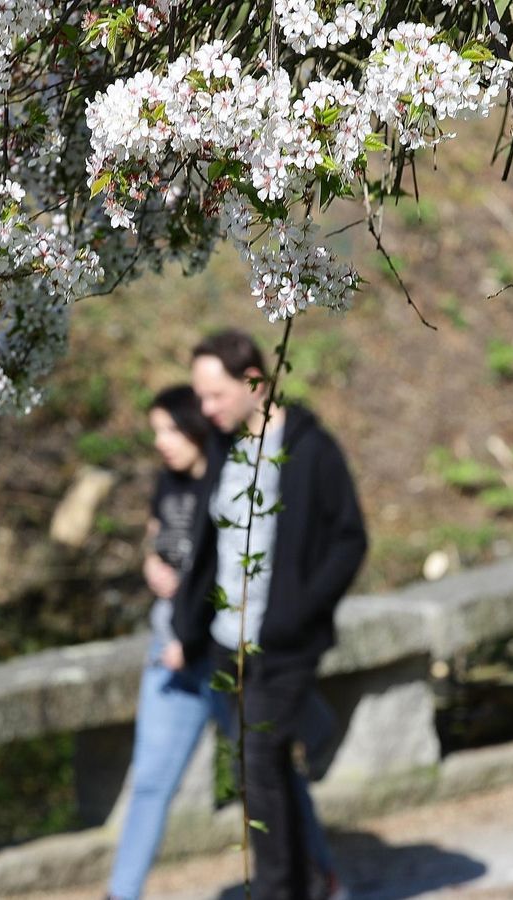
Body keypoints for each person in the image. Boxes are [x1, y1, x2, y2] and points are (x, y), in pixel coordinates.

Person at [105, 385, 341, 900]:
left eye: (170, 430)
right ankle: (120, 894)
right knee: (150, 783)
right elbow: (158, 540)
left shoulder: (229, 481)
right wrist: (152, 566)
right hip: (169, 658)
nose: (162, 443)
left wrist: (192, 629)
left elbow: (232, 575)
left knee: (269, 773)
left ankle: (320, 875)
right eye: (155, 433)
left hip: (217, 656)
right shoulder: (166, 485)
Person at [170, 330, 368, 900]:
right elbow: (207, 540)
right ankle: (310, 880)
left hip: (283, 643)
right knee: (268, 767)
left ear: (253, 381)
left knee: (257, 762)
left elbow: (349, 540)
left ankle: (281, 889)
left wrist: (298, 613)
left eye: (214, 396)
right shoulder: (223, 448)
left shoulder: (309, 448)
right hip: (227, 641)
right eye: (200, 398)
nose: (206, 410)